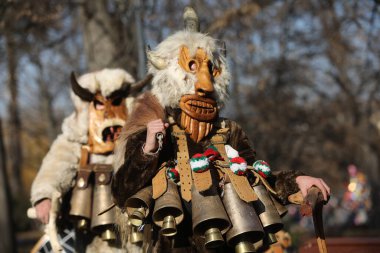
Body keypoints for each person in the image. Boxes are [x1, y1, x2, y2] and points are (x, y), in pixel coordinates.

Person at [112, 7, 330, 253]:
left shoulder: (230, 130)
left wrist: (296, 180)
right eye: (192, 67)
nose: (204, 85)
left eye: (211, 69)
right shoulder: (156, 130)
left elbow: (257, 177)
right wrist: (148, 149)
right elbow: (122, 193)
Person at [30, 68, 148, 252]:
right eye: (100, 104)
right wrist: (44, 195)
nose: (108, 112)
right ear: (86, 108)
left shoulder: (141, 136)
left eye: (116, 102)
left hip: (139, 232)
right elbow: (56, 165)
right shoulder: (74, 140)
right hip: (94, 238)